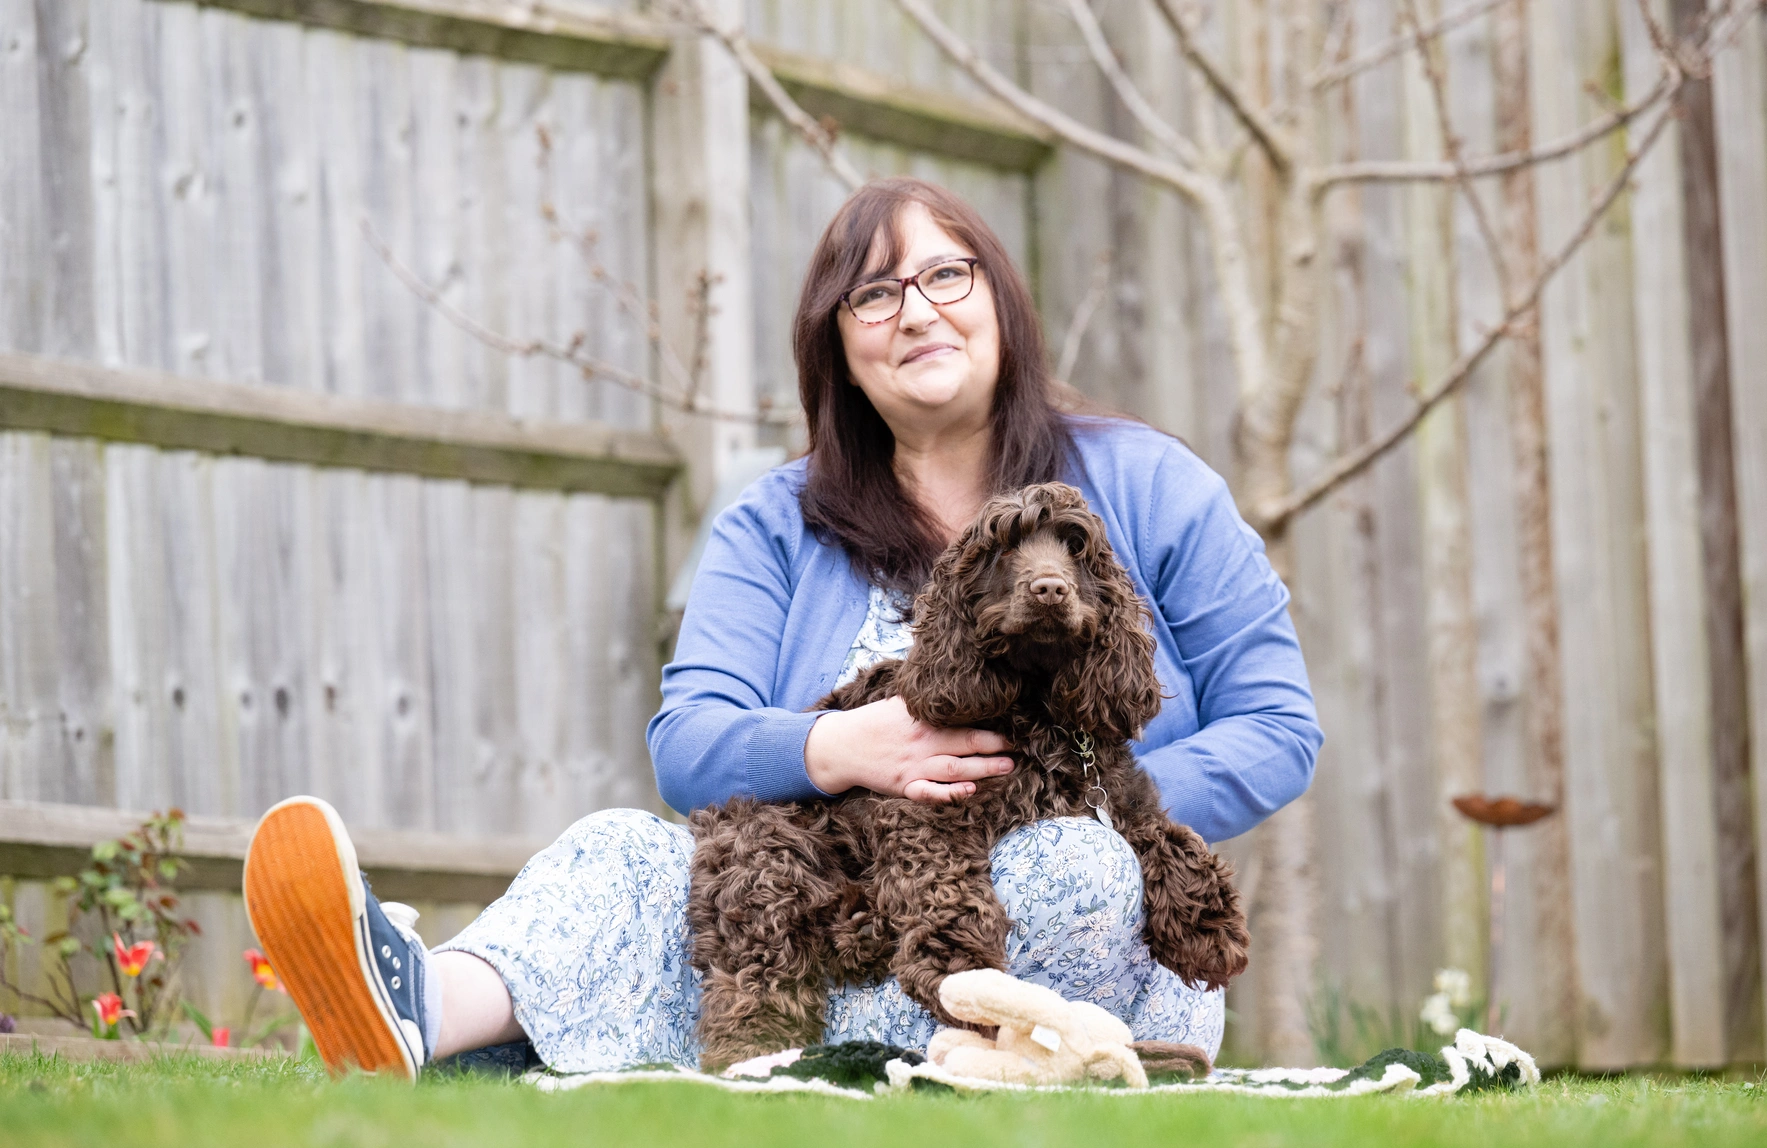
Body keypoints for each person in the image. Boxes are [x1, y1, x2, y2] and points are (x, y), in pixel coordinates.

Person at [242, 177, 1321, 1080]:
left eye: (948, 274)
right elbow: (690, 741)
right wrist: (839, 746)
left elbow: (1277, 724)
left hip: (1075, 928)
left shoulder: (1152, 485)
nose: (916, 310)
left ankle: (601, 1039)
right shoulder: (775, 520)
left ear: (1003, 304)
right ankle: (414, 1007)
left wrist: (1074, 799)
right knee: (630, 852)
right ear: (837, 348)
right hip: (834, 922)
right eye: (873, 294)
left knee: (1069, 864)